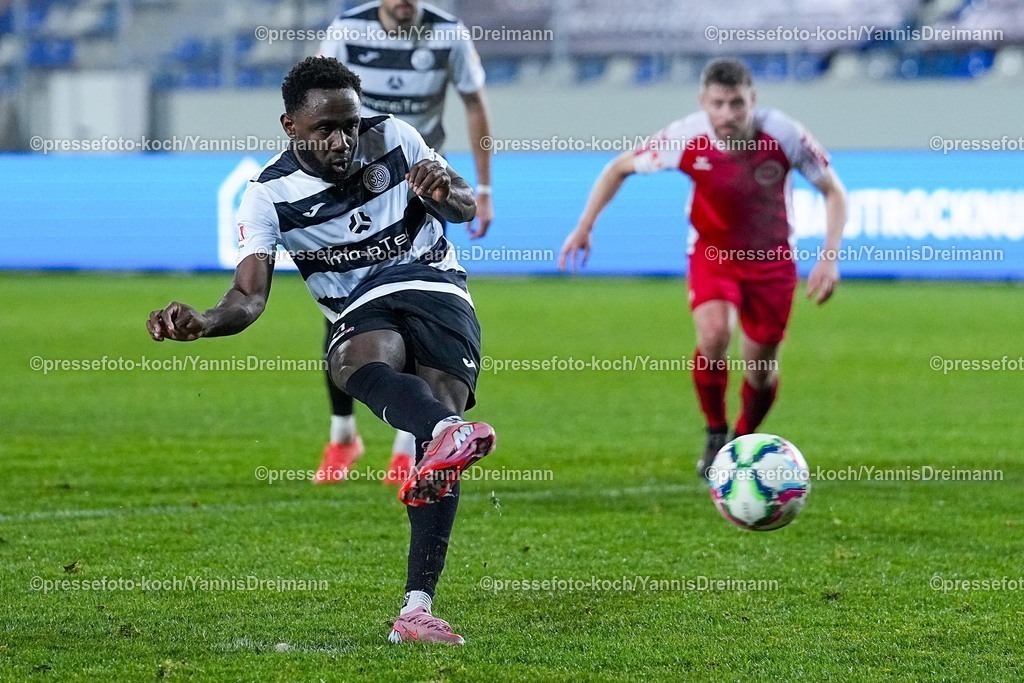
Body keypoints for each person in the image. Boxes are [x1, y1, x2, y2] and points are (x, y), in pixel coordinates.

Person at [147, 57, 496, 644]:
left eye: (349, 126)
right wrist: (204, 322)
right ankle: (418, 600)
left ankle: (417, 598)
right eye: (324, 129)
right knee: (361, 363)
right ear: (290, 126)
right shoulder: (268, 195)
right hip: (360, 303)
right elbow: (249, 296)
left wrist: (447, 190)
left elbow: (461, 205)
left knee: (434, 430)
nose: (342, 141)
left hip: (434, 283)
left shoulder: (395, 137)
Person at [558, 58, 847, 478]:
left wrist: (829, 255)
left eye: (736, 103)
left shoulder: (785, 134)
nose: (727, 114)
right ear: (703, 102)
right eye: (718, 104)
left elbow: (834, 192)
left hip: (772, 262)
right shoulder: (685, 137)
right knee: (713, 336)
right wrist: (585, 226)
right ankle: (715, 432)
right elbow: (619, 167)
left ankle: (740, 442)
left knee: (761, 369)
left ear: (753, 100)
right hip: (713, 256)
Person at [315, 0, 495, 485]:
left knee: (419, 310)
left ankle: (407, 444)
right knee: (342, 308)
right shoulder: (347, 30)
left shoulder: (449, 33)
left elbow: (474, 103)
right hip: (353, 184)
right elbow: (315, 99)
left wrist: (481, 188)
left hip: (422, 182)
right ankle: (343, 434)